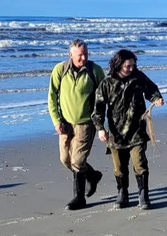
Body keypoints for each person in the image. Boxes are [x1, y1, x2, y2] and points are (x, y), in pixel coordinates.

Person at [92, 49, 164, 210]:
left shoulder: (138, 77)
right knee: (119, 167)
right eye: (128, 66)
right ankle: (122, 194)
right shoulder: (107, 83)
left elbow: (151, 90)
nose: (131, 68)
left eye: (133, 65)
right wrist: (100, 129)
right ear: (118, 65)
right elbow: (98, 107)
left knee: (140, 164)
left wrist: (157, 98)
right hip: (116, 133)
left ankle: (143, 195)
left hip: (137, 130)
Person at [47, 39, 106, 210]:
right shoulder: (60, 70)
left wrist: (100, 123)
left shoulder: (95, 71)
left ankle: (79, 198)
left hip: (86, 123)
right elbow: (51, 97)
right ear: (70, 54)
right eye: (80, 55)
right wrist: (56, 121)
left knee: (78, 161)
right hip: (65, 124)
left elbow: (103, 97)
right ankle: (93, 175)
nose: (83, 58)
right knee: (65, 159)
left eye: (86, 54)